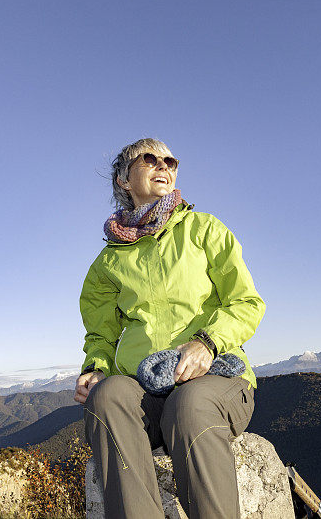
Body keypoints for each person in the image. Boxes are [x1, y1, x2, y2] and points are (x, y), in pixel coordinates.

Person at [74, 138, 266, 519]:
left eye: (170, 160)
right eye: (149, 159)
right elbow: (101, 333)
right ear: (123, 180)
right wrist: (95, 367)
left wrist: (207, 343)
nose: (163, 165)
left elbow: (246, 302)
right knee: (108, 397)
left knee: (188, 404)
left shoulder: (204, 229)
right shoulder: (107, 263)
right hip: (146, 391)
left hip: (216, 381)